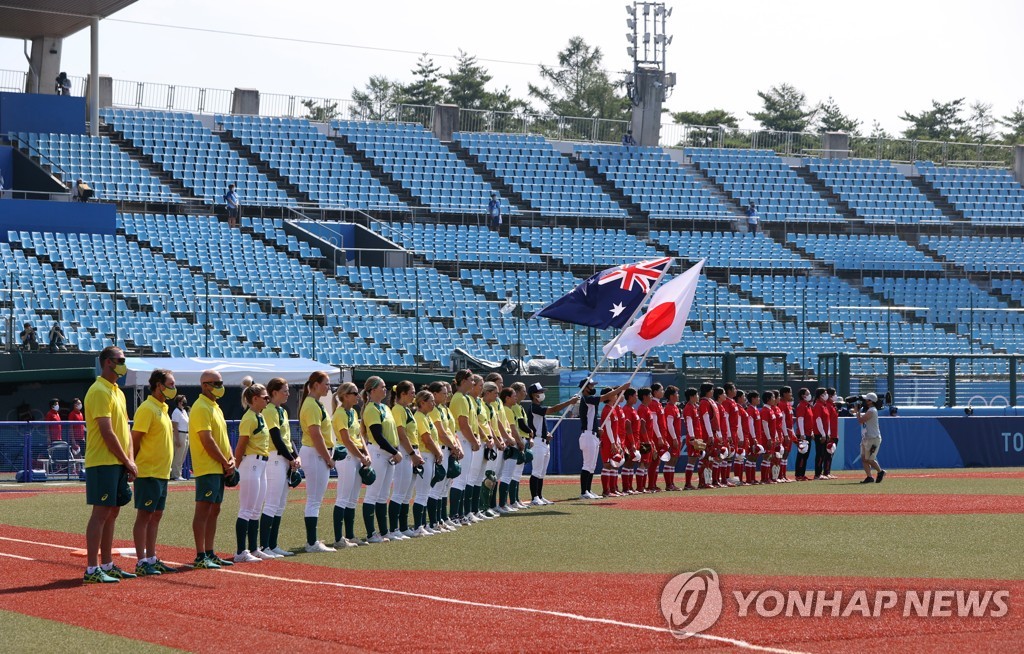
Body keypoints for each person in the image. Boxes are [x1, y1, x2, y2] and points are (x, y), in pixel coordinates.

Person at [82, 346, 137, 584]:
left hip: (117, 462)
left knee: (112, 513)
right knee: (101, 513)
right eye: (120, 360)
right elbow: (107, 431)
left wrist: (130, 460)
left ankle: (106, 564)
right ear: (107, 362)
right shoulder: (98, 391)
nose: (124, 363)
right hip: (103, 461)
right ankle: (92, 569)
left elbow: (125, 429)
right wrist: (126, 460)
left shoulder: (118, 392)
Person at [130, 369, 177, 576]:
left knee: (156, 515)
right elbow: (135, 439)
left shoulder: (163, 408)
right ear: (159, 385)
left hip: (161, 472)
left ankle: (151, 557)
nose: (174, 388)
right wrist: (132, 465)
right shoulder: (147, 408)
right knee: (145, 515)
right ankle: (141, 561)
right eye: (171, 384)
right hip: (148, 471)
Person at [189, 369, 236, 569]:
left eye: (221, 382)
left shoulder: (215, 406)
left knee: (214, 510)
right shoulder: (201, 407)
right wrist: (225, 461)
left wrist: (231, 458)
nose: (220, 386)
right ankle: (201, 554)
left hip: (219, 467)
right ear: (205, 385)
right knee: (204, 510)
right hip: (208, 466)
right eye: (216, 383)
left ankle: (209, 551)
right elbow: (206, 440)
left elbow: (222, 439)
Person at [232, 383, 273, 562]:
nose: (268, 400)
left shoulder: (260, 416)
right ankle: (241, 551)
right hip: (251, 464)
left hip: (261, 464)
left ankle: (254, 548)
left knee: (256, 510)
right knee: (246, 509)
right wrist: (236, 467)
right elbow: (240, 446)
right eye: (265, 397)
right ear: (254, 399)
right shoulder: (249, 418)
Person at [298, 371, 336, 552]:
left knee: (316, 499)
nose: (328, 387)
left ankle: (312, 541)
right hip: (315, 453)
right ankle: (312, 542)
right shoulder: (312, 405)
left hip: (316, 452)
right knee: (314, 499)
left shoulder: (315, 403)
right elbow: (316, 435)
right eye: (326, 383)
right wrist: (328, 458)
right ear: (315, 385)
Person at [361, 376, 402, 542]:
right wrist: (394, 451)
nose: (385, 389)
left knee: (383, 494)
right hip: (378, 452)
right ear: (372, 390)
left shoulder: (385, 407)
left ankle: (384, 531)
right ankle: (371, 533)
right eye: (382, 387)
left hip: (388, 454)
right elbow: (377, 435)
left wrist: (394, 450)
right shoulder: (371, 409)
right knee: (372, 494)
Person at [262, 377, 299, 556]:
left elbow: (288, 438)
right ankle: (265, 546)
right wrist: (291, 458)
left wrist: (296, 456)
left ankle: (273, 544)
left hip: (284, 459)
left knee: (280, 504)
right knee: (272, 503)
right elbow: (275, 438)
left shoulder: (282, 411)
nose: (287, 393)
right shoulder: (269, 410)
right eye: (284, 390)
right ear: (274, 392)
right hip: (274, 458)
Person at [332, 382, 371, 547]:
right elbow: (346, 440)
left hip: (356, 455)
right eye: (354, 393)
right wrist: (362, 456)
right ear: (345, 396)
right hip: (347, 456)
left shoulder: (353, 412)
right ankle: (339, 538)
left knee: (353, 498)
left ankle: (350, 535)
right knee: (343, 497)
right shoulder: (340, 413)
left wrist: (366, 453)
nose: (358, 395)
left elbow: (359, 435)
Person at [527, 382, 579, 505]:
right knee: (536, 471)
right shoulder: (534, 407)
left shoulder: (538, 408)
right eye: (540, 392)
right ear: (534, 395)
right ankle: (534, 498)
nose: (542, 394)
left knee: (542, 472)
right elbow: (553, 410)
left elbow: (540, 424)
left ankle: (539, 496)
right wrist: (569, 402)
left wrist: (547, 433)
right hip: (537, 442)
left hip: (544, 442)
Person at [387, 381, 421, 540]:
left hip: (410, 452)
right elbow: (401, 434)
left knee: (407, 494)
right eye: (412, 392)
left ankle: (403, 527)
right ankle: (393, 529)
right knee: (399, 492)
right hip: (404, 452)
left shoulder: (405, 409)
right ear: (402, 394)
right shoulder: (398, 409)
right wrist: (412, 453)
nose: (414, 395)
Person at [449, 370, 480, 525]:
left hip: (465, 438)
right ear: (463, 381)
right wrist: (474, 440)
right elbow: (463, 424)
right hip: (462, 437)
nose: (473, 383)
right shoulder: (460, 398)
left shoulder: (465, 398)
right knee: (460, 479)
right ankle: (455, 514)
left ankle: (459, 513)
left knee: (464, 478)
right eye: (471, 379)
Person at [412, 389, 444, 535]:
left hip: (429, 455)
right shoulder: (419, 416)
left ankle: (423, 525)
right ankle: (419, 526)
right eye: (430, 401)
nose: (433, 403)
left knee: (425, 492)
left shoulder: (426, 416)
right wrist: (438, 452)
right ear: (422, 403)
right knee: (422, 492)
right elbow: (426, 439)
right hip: (424, 454)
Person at [857, 393, 886, 484]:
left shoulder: (872, 410)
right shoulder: (870, 410)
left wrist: (857, 412)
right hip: (867, 437)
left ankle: (880, 472)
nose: (865, 401)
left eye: (867, 400)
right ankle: (869, 477)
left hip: (873, 438)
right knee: (863, 458)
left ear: (870, 401)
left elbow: (861, 421)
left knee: (869, 459)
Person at [793, 387, 813, 481]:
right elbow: (800, 419)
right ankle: (798, 474)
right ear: (803, 395)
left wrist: (811, 431)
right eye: (807, 393)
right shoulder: (801, 405)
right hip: (803, 434)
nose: (809, 395)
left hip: (808, 433)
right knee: (802, 454)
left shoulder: (807, 406)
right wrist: (802, 433)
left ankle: (802, 473)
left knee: (806, 455)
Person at [170, 395, 190, 481]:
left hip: (186, 434)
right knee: (178, 456)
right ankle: (176, 475)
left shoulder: (184, 411)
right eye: (183, 400)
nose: (185, 402)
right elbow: (175, 426)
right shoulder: (176, 412)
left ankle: (176, 473)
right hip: (180, 434)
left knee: (182, 456)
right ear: (179, 402)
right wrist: (177, 439)